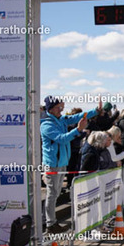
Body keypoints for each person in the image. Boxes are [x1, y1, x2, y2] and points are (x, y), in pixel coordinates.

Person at [41, 96, 101, 233]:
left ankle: (50, 221)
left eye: (61, 107)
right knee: (52, 193)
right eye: (58, 108)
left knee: (55, 193)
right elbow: (62, 139)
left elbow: (77, 117)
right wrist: (78, 130)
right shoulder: (46, 124)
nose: (61, 110)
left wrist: (95, 111)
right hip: (52, 164)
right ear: (51, 109)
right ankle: (50, 223)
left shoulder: (60, 119)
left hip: (61, 162)